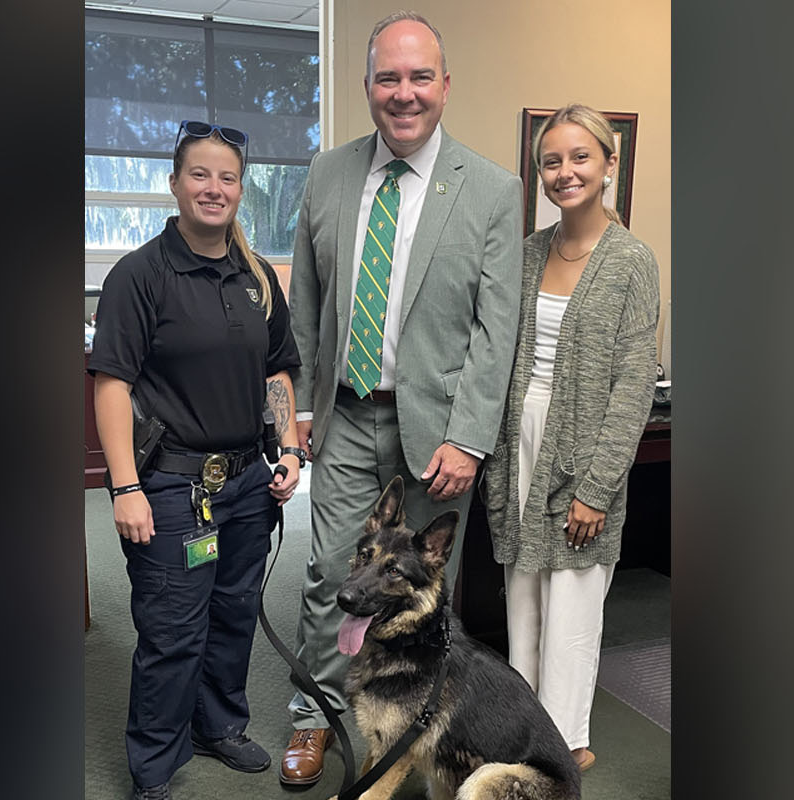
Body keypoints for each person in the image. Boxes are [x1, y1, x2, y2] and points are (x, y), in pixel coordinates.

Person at [280, 11, 523, 787]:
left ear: (444, 86)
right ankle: (314, 714)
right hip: (346, 412)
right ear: (367, 86)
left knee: (419, 591)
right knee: (329, 573)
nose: (404, 93)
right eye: (389, 77)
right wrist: (303, 413)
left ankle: (418, 722)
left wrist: (471, 436)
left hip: (440, 434)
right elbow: (308, 301)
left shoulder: (491, 189)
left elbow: (497, 329)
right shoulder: (328, 172)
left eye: (420, 77)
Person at [88, 120, 305, 800]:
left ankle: (218, 725)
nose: (215, 189)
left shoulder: (257, 277)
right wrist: (124, 486)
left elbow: (277, 372)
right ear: (175, 184)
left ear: (243, 188)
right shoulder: (139, 276)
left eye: (228, 177)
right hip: (173, 489)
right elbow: (112, 385)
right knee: (172, 630)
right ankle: (153, 769)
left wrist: (291, 448)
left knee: (234, 612)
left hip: (246, 483)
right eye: (200, 175)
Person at [483, 103, 661, 773]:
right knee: (522, 592)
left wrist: (596, 488)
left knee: (573, 608)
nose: (566, 172)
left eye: (580, 157)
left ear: (610, 163)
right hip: (519, 445)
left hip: (585, 454)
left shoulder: (631, 262)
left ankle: (564, 743)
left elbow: (633, 385)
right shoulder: (528, 253)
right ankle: (519, 727)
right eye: (552, 161)